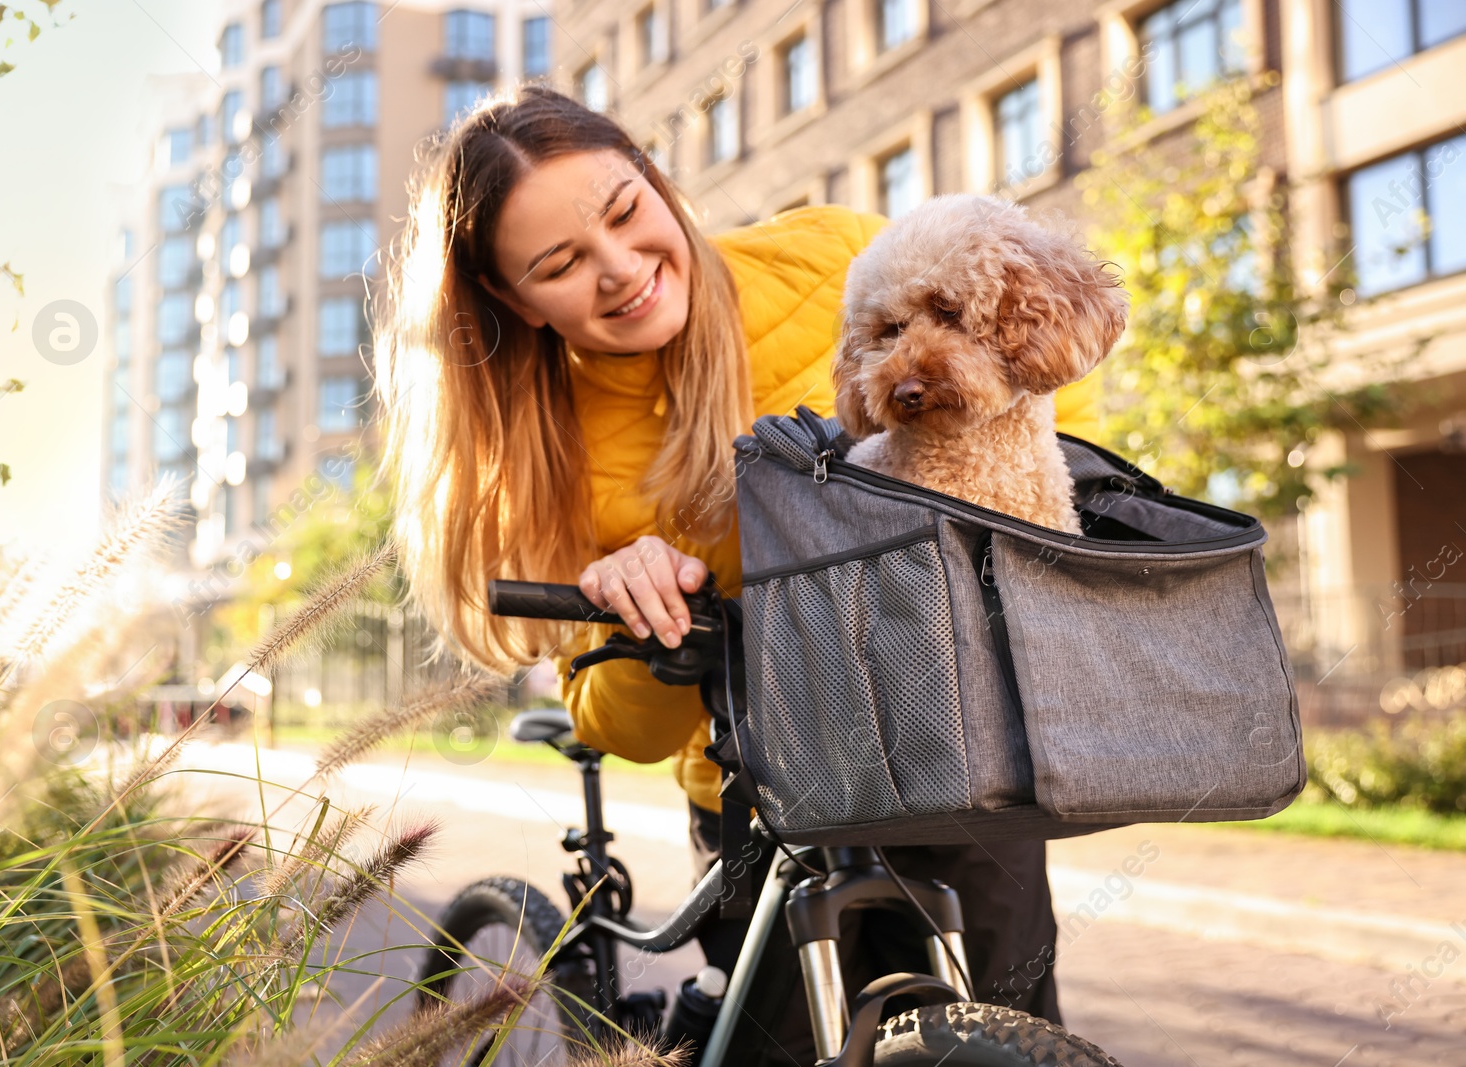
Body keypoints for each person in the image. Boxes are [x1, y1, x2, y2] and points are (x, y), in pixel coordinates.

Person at [376, 85, 1088, 1046]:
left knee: (1011, 1037)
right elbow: (624, 724)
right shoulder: (547, 457)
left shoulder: (841, 253)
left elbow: (1056, 428)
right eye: (559, 264)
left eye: (625, 212)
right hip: (761, 796)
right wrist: (644, 606)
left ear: (656, 180)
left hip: (959, 759)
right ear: (512, 298)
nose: (622, 270)